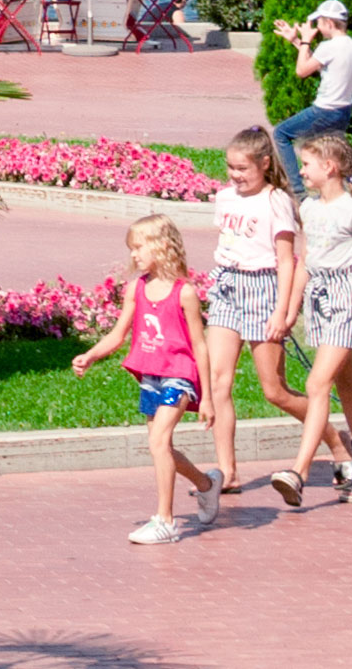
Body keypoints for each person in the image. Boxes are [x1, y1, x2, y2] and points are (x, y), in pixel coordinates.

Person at [69, 214, 221, 542]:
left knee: (158, 441)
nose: (134, 255)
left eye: (139, 248)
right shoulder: (136, 288)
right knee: (161, 446)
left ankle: (165, 521)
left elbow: (200, 345)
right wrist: (91, 355)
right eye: (131, 249)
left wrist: (207, 396)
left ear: (162, 246)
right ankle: (207, 485)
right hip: (151, 376)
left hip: (179, 377)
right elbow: (119, 333)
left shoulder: (184, 293)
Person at [266, 132, 352, 506]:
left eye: (306, 164)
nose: (300, 171)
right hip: (320, 300)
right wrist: (290, 310)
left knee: (317, 383)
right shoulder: (310, 209)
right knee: (347, 389)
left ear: (329, 167)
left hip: (346, 298)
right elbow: (307, 261)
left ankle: (299, 472)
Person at [197, 127, 315, 495]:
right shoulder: (225, 198)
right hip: (229, 288)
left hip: (263, 289)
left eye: (243, 168)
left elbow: (285, 260)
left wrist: (282, 312)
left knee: (274, 390)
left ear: (264, 164)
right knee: (218, 381)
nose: (235, 175)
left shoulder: (275, 201)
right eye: (230, 167)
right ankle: (227, 472)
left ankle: (336, 437)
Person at [270, 0, 352, 195]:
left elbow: (302, 70)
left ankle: (297, 191)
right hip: (343, 110)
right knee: (330, 153)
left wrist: (305, 40)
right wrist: (296, 41)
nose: (318, 28)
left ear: (329, 23)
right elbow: (317, 62)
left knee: (281, 134)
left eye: (320, 23)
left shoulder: (329, 46)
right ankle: (347, 188)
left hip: (324, 110)